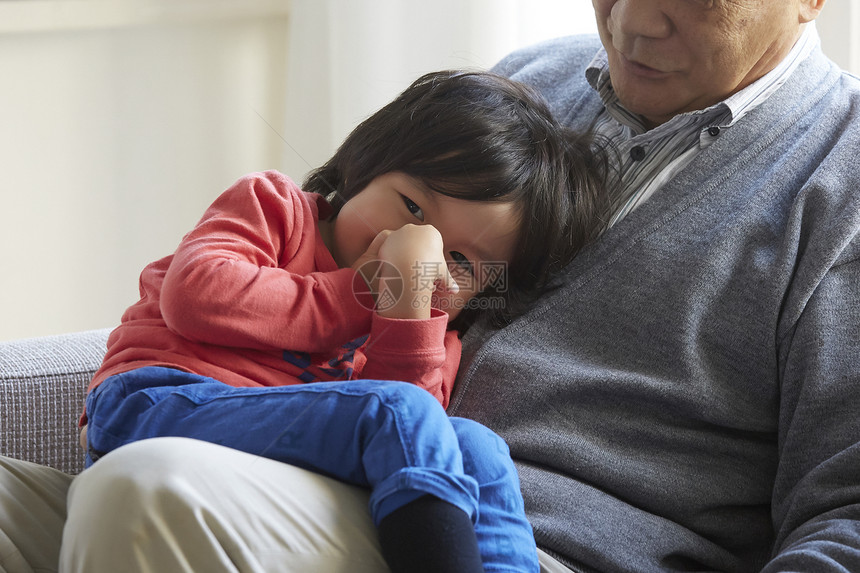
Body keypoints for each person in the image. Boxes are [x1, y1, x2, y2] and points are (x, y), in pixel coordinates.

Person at [2, 0, 859, 571]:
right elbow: (339, 227)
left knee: (147, 490)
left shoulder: (841, 182)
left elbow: (847, 512)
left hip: (515, 539)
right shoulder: (535, 84)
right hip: (357, 484)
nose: (633, 19)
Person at [1, 70, 609, 573]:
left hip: (277, 471)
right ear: (361, 167)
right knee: (399, 415)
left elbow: (406, 427)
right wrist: (359, 290)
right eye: (414, 206)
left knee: (475, 445)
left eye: (459, 261)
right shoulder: (278, 210)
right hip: (162, 403)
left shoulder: (435, 336)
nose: (419, 245)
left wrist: (404, 312)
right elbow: (196, 295)